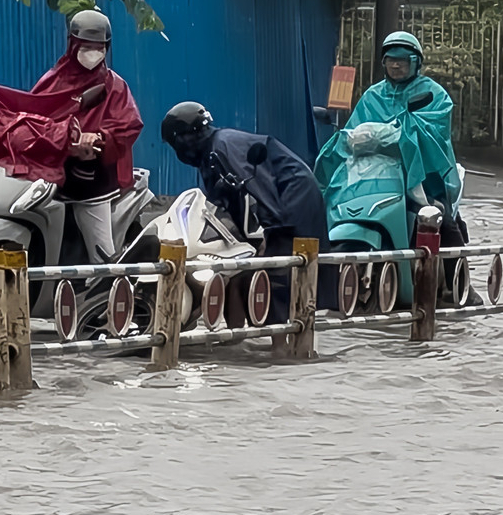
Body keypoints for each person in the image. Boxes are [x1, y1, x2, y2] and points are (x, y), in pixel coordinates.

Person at [0, 9, 142, 263]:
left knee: (103, 258)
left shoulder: (115, 86)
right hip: (52, 177)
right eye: (85, 47)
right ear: (72, 44)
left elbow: (128, 126)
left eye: (98, 48)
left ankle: (108, 289)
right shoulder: (54, 81)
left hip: (91, 183)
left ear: (107, 48)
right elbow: (34, 114)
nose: (92, 53)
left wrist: (98, 137)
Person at [317, 30, 473, 297]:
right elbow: (355, 130)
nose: (397, 65)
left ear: (416, 62)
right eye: (391, 60)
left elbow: (434, 132)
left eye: (403, 60)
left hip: (423, 172)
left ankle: (461, 286)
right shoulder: (373, 95)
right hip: (378, 173)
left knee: (439, 217)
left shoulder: (433, 94)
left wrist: (396, 133)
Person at [160, 102, 338, 316]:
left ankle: (281, 344)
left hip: (291, 197)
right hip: (277, 202)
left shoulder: (223, 148)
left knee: (277, 273)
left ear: (184, 138)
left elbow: (259, 188)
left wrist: (267, 232)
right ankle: (239, 342)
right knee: (241, 275)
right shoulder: (210, 155)